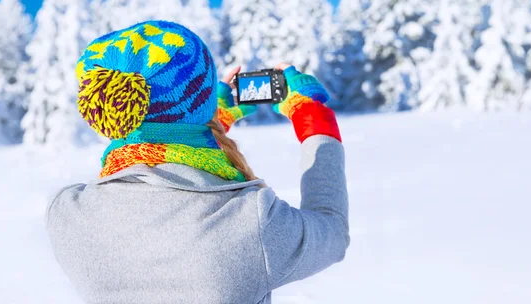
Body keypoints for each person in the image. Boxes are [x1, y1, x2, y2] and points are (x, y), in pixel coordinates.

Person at [46, 21, 349, 304]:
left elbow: (154, 158)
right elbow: (331, 231)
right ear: (199, 107)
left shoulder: (66, 214)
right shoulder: (250, 221)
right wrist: (314, 121)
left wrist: (206, 121)